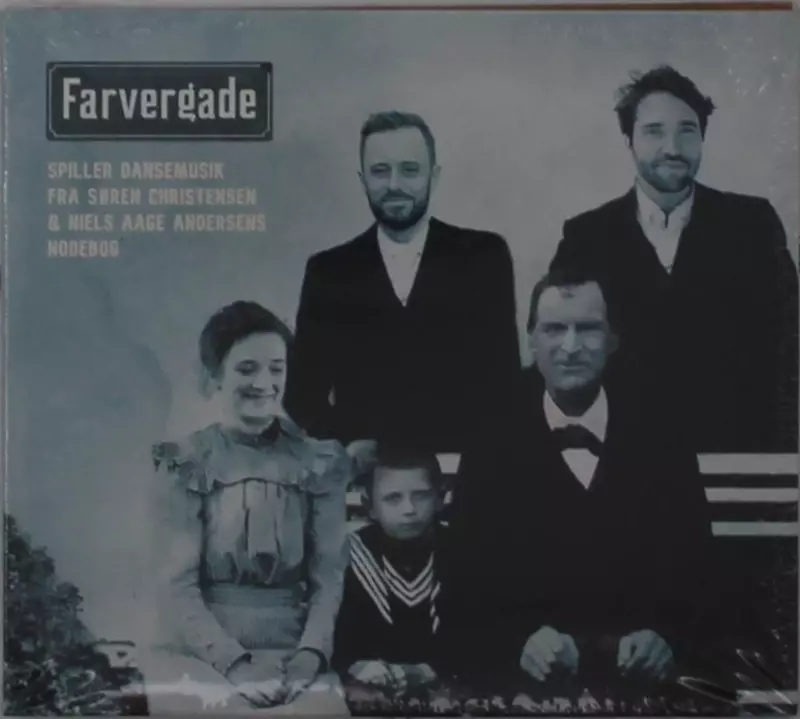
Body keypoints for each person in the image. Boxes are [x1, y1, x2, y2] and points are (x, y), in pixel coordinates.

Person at [446, 268, 719, 705]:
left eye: (587, 329)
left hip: (642, 686)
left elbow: (699, 571)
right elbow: (464, 583)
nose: (570, 347)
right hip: (528, 688)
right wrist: (519, 641)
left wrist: (667, 638)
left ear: (613, 339)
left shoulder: (661, 434)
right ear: (531, 340)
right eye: (554, 329)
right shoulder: (490, 440)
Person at [552, 65, 798, 453]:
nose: (673, 147)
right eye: (654, 131)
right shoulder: (586, 236)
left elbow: (790, 347)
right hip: (622, 458)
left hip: (738, 455)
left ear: (702, 138)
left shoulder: (752, 224)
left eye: (687, 130)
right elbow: (562, 356)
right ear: (629, 140)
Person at [139, 301, 352, 715]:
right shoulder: (187, 462)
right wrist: (235, 665)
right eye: (247, 369)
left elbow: (329, 577)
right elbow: (176, 586)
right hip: (200, 653)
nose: (264, 383)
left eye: (276, 369)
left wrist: (311, 654)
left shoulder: (317, 462)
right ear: (216, 376)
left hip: (292, 650)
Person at [284, 110, 520, 458]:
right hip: (365, 476)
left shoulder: (484, 257)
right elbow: (301, 396)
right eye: (380, 171)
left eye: (409, 170)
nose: (394, 184)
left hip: (465, 472)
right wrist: (347, 445)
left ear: (433, 177)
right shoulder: (329, 272)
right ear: (363, 180)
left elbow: (504, 383)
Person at [332, 445, 452, 714]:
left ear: (440, 498)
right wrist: (354, 665)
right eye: (393, 498)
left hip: (444, 688)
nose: (409, 509)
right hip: (370, 688)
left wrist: (425, 672)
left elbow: (474, 633)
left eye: (421, 496)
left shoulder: (459, 554)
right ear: (370, 506)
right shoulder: (349, 557)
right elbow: (338, 634)